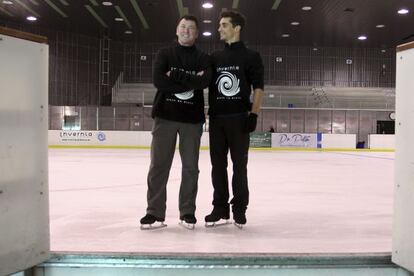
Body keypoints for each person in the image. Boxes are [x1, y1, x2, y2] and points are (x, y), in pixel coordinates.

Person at [140, 15, 211, 230]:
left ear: (197, 33)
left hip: (192, 121)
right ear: (176, 30)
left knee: (190, 168)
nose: (186, 31)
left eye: (191, 28)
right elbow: (159, 81)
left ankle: (187, 212)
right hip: (165, 117)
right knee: (159, 166)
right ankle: (154, 212)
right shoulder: (165, 54)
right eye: (183, 26)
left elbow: (205, 81)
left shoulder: (202, 57)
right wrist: (191, 80)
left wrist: (176, 75)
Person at [205, 11, 264, 228]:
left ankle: (239, 208)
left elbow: (258, 88)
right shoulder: (214, 58)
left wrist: (254, 114)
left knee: (240, 166)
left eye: (223, 25)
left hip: (239, 119)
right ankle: (220, 208)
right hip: (217, 119)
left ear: (236, 28)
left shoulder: (251, 57)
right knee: (217, 166)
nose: (219, 28)